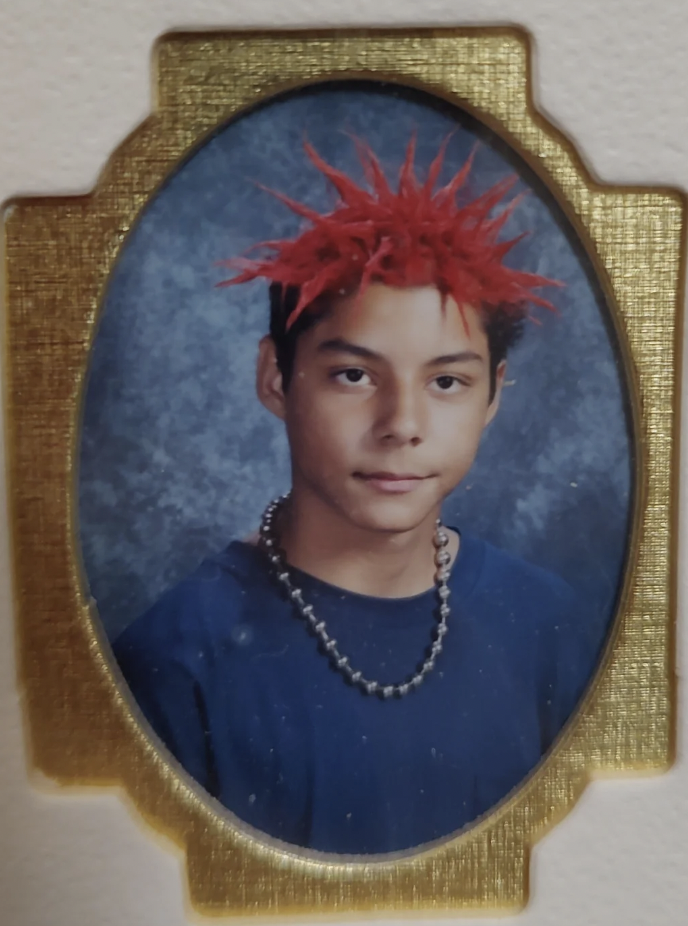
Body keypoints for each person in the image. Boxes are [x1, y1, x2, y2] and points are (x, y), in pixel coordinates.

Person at [112, 135, 600, 854]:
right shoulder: (176, 658)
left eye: (447, 382)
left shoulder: (553, 626)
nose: (402, 425)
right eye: (353, 375)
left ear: (494, 396)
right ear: (277, 378)